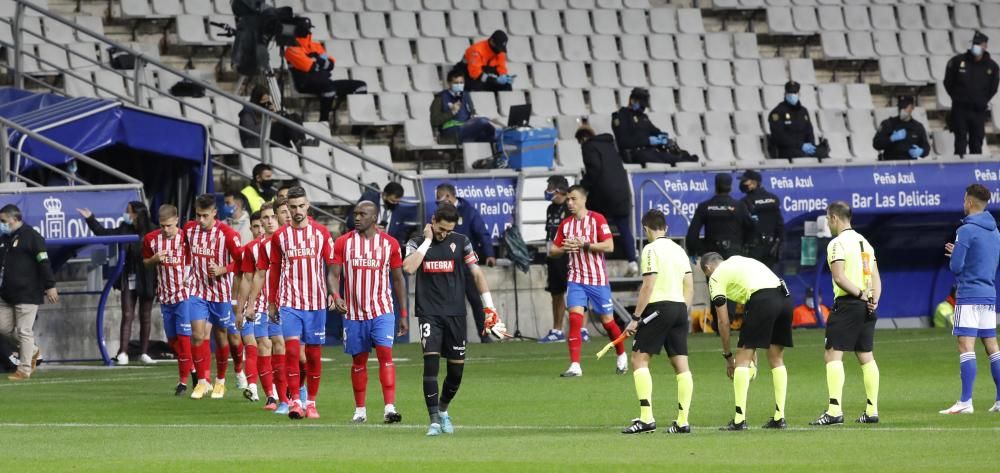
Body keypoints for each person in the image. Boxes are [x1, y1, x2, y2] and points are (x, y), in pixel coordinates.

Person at [402, 203, 499, 436]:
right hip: (429, 313)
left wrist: (490, 308)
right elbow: (408, 268)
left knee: (456, 373)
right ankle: (434, 420)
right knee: (431, 365)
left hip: (456, 313)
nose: (444, 234)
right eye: (441, 229)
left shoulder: (462, 241)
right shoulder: (416, 242)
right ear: (433, 221)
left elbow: (476, 273)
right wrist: (427, 241)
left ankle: (443, 410)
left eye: (448, 231)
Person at [330, 201, 408, 424]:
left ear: (374, 218)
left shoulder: (390, 244)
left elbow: (398, 279)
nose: (357, 218)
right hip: (354, 314)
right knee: (359, 361)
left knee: (386, 356)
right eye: (355, 214)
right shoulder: (343, 243)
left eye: (362, 214)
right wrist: (336, 297)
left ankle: (390, 408)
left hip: (382, 310)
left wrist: (403, 313)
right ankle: (360, 410)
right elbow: (333, 275)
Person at [620, 210, 694, 435]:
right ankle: (682, 421)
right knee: (681, 366)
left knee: (639, 360)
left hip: (658, 309)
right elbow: (689, 285)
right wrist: (683, 312)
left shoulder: (650, 249)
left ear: (645, 228)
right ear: (666, 228)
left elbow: (648, 285)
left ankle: (646, 419)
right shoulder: (679, 250)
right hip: (680, 308)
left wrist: (635, 318)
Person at [700, 252, 792, 430]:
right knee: (776, 359)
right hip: (784, 298)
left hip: (763, 299)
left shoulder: (715, 277)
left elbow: (723, 322)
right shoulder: (738, 261)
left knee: (741, 360)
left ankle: (739, 420)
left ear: (708, 268)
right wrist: (753, 349)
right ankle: (780, 417)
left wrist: (728, 357)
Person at [810, 201, 882, 425]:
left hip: (849, 304)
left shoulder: (837, 244)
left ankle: (834, 411)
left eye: (827, 219)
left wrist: (861, 295)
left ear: (834, 218)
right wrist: (873, 300)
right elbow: (877, 278)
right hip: (866, 306)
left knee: (832, 354)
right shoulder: (866, 243)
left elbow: (839, 277)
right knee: (865, 355)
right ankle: (871, 411)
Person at [268, 186, 334, 420]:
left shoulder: (322, 233)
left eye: (300, 206)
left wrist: (334, 294)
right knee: (293, 351)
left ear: (308, 205)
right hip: (290, 301)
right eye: (292, 207)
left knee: (314, 356)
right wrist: (272, 301)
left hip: (316, 302)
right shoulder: (280, 237)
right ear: (287, 208)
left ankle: (311, 403)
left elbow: (333, 267)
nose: (297, 211)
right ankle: (296, 401)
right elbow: (275, 269)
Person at [550, 185, 628, 377]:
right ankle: (575, 366)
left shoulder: (597, 219)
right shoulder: (566, 224)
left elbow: (609, 246)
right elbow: (552, 250)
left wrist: (584, 245)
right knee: (575, 318)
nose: (570, 203)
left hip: (597, 279)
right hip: (575, 279)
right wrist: (565, 249)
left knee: (607, 322)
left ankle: (621, 355)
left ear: (584, 200)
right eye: (568, 199)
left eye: (573, 199)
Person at [940, 184, 1000, 414]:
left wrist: (955, 254)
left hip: (968, 293)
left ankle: (965, 402)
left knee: (966, 345)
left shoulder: (965, 230)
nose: (963, 203)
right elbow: (986, 260)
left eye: (965, 199)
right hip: (988, 293)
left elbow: (956, 266)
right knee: (992, 346)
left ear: (971, 202)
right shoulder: (995, 231)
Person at [78, 201, 156, 365]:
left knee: (146, 316)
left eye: (128, 211)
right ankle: (123, 352)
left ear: (137, 214)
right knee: (127, 314)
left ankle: (144, 352)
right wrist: (90, 218)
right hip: (129, 276)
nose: (125, 214)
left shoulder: (152, 230)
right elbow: (104, 234)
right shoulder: (124, 228)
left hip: (147, 278)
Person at [185, 194, 244, 400]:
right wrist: (186, 273)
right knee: (198, 335)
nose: (200, 220)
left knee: (221, 336)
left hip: (220, 292)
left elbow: (241, 262)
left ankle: (221, 381)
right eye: (198, 215)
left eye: (205, 216)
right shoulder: (190, 230)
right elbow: (185, 252)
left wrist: (222, 269)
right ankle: (202, 381)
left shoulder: (228, 234)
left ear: (214, 213)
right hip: (196, 289)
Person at [246, 198, 293, 414]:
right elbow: (255, 276)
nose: (270, 221)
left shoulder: (290, 241)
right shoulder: (256, 249)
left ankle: (292, 392)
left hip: (288, 302)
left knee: (285, 348)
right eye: (265, 218)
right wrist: (250, 304)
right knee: (264, 345)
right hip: (265, 304)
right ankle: (272, 396)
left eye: (273, 216)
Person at [0, 204, 58, 381]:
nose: (1, 224)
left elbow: (44, 262)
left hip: (27, 293)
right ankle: (32, 350)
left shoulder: (32, 236)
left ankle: (24, 370)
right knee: (3, 327)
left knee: (24, 331)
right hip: (6, 294)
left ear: (15, 219)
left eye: (3, 221)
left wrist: (50, 286)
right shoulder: (5, 239)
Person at [141, 204, 194, 395]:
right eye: (162, 226)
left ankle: (183, 383)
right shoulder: (151, 239)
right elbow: (145, 262)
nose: (166, 230)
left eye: (169, 226)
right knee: (173, 342)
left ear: (177, 221)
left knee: (184, 339)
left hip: (184, 296)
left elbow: (193, 262)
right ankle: (193, 369)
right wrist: (154, 259)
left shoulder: (186, 239)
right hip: (165, 296)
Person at [434, 183, 496, 343]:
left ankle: (484, 335)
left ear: (448, 196)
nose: (438, 204)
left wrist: (489, 254)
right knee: (455, 303)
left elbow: (482, 232)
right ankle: (460, 337)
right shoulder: (439, 214)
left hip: (466, 263)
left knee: (475, 300)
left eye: (440, 199)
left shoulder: (468, 211)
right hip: (448, 265)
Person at [577, 126, 639, 276]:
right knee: (624, 227)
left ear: (583, 138)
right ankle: (633, 262)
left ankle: (597, 264)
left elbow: (594, 170)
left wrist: (582, 186)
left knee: (594, 223)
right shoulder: (609, 145)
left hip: (604, 194)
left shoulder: (588, 147)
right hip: (622, 191)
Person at [284, 17, 367, 123]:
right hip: (305, 84)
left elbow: (331, 63)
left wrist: (317, 62)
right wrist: (320, 63)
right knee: (329, 88)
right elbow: (309, 67)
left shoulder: (316, 45)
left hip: (325, 82)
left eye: (308, 28)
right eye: (305, 29)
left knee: (360, 86)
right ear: (296, 30)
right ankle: (324, 120)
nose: (308, 31)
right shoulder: (291, 49)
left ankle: (358, 126)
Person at [943, 31, 999, 156]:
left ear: (985, 46)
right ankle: (959, 171)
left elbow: (993, 89)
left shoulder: (992, 66)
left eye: (979, 44)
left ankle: (975, 171)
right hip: (960, 109)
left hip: (978, 111)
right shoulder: (957, 61)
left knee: (976, 143)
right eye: (974, 43)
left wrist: (980, 100)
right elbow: (948, 82)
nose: (976, 46)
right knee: (960, 142)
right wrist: (958, 98)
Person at [686, 174, 754, 260]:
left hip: (712, 254)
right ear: (730, 188)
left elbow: (693, 231)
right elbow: (751, 228)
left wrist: (692, 250)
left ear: (715, 187)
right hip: (735, 253)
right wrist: (745, 247)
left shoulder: (704, 206)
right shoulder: (740, 206)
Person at [611, 88, 683, 165]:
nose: (643, 109)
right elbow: (623, 142)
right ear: (632, 101)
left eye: (644, 107)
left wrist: (664, 139)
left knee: (683, 156)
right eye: (641, 106)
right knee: (660, 160)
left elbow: (655, 131)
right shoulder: (621, 116)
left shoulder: (643, 117)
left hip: (650, 151)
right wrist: (648, 141)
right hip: (635, 154)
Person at [539, 176, 571, 343]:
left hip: (567, 255)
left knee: (574, 292)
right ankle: (557, 330)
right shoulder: (551, 208)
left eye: (550, 187)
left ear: (559, 190)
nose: (547, 190)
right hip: (552, 255)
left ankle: (580, 329)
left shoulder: (571, 207)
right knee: (556, 292)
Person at [430, 69, 496, 144]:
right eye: (456, 83)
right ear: (449, 83)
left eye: (461, 83)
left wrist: (475, 116)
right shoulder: (440, 98)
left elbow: (472, 112)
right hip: (451, 131)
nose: (459, 85)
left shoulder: (465, 95)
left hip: (467, 128)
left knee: (493, 134)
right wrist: (452, 112)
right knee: (483, 121)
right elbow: (434, 121)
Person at [738, 170, 784, 269]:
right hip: (771, 246)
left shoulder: (745, 202)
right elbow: (780, 225)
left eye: (745, 181)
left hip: (753, 248)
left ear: (754, 183)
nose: (742, 184)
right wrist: (779, 244)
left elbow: (742, 226)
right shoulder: (773, 198)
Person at [768, 81, 823, 160]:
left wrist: (811, 144)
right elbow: (779, 137)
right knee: (802, 156)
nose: (792, 95)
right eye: (790, 92)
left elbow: (809, 130)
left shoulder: (803, 111)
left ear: (799, 94)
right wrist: (800, 145)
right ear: (785, 94)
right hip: (787, 149)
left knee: (823, 153)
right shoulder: (777, 112)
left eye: (794, 92)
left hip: (802, 148)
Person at [238, 85, 306, 149]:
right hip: (255, 141)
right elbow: (250, 132)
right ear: (256, 100)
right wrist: (269, 121)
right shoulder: (247, 113)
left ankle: (303, 142)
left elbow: (272, 121)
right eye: (263, 100)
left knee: (295, 117)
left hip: (268, 136)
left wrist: (274, 113)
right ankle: (298, 143)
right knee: (283, 122)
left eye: (267, 99)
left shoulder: (264, 108)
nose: (266, 102)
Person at [873, 96, 930, 161]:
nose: (902, 110)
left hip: (910, 165)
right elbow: (876, 144)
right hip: (890, 164)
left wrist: (921, 152)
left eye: (905, 107)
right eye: (900, 107)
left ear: (912, 108)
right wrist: (890, 139)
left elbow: (926, 148)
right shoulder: (888, 123)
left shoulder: (918, 127)